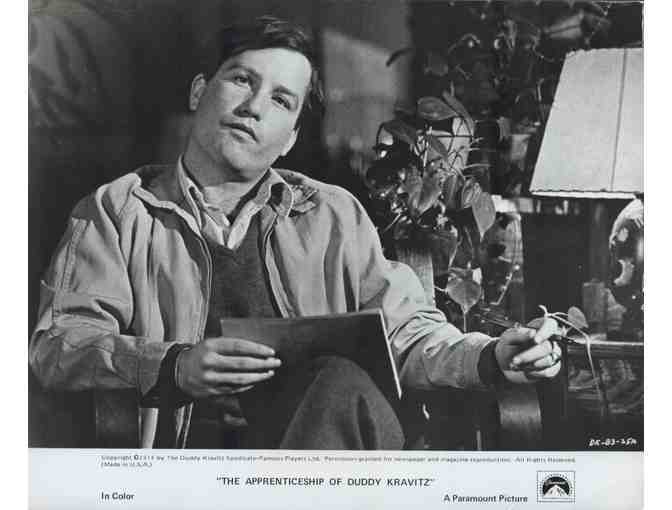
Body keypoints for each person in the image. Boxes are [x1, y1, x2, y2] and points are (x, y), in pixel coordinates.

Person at [29, 16, 562, 450]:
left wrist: (492, 355)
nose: (253, 107)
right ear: (199, 91)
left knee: (335, 381)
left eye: (281, 100)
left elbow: (407, 332)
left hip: (340, 452)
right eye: (242, 80)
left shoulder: (332, 214)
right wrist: (172, 365)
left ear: (289, 139)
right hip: (200, 465)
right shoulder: (117, 211)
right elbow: (60, 345)